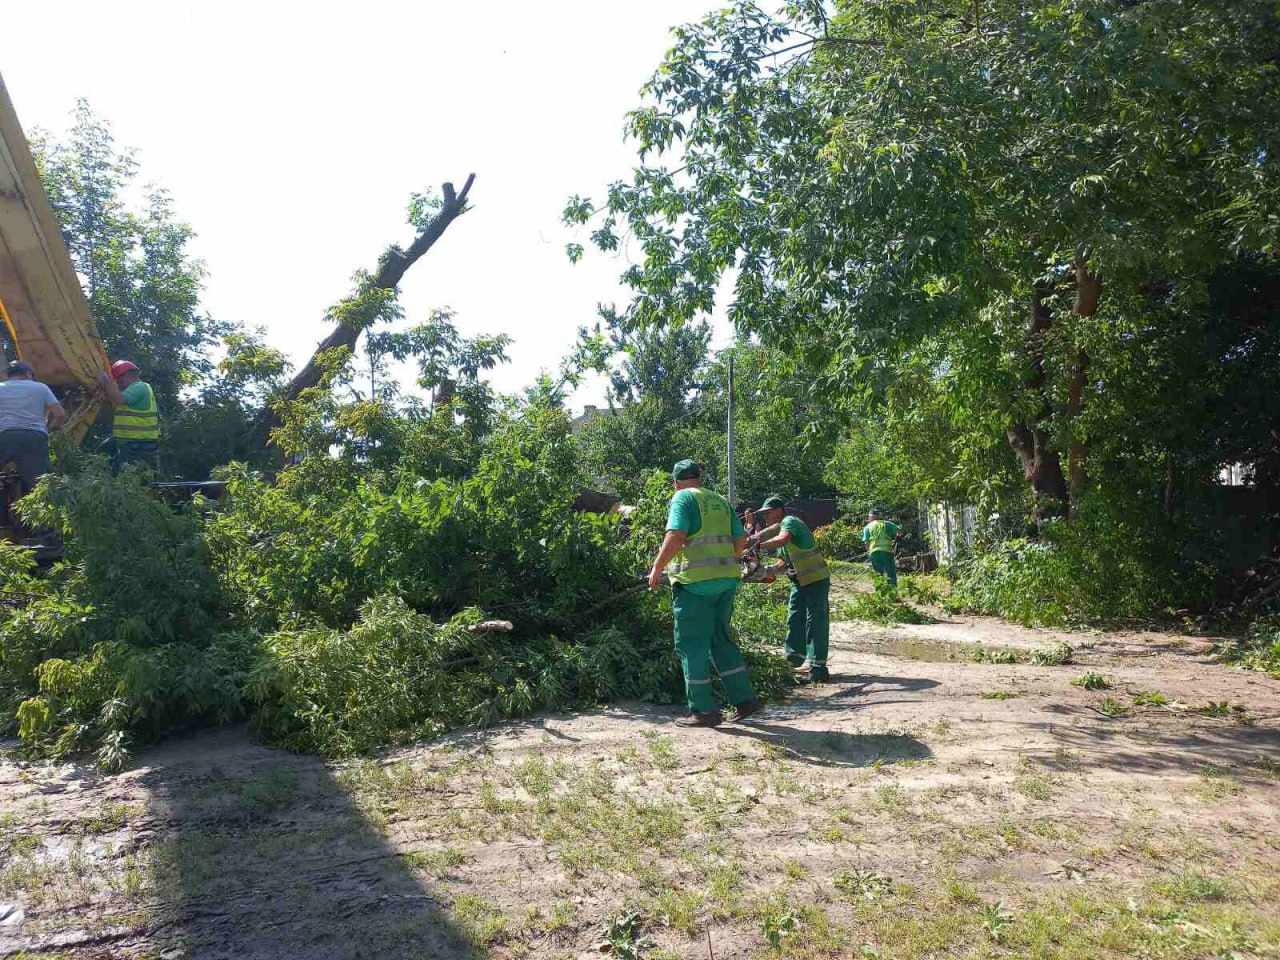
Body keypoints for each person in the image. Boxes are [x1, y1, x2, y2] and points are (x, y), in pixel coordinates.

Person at [648, 459, 760, 728]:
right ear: (700, 477)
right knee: (721, 639)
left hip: (694, 585)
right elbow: (740, 540)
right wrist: (725, 562)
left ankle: (703, 711)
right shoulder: (720, 500)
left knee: (692, 646)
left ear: (675, 482)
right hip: (726, 582)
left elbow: (675, 536)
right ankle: (745, 700)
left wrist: (657, 567)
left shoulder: (682, 499)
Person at [749, 496, 832, 682]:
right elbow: (782, 563)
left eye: (768, 513)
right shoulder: (780, 528)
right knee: (794, 618)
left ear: (779, 510)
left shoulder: (790, 522)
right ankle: (793, 660)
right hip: (799, 582)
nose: (766, 517)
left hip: (816, 580)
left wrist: (757, 547)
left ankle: (818, 666)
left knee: (815, 622)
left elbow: (782, 539)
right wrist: (763, 572)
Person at [0, 360, 65, 494]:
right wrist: (48, 429)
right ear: (28, 374)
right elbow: (60, 415)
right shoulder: (41, 387)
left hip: (5, 436)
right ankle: (46, 511)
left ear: (8, 375)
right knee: (40, 487)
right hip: (35, 438)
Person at [97, 360, 159, 472]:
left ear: (125, 376)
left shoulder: (138, 387)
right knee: (102, 455)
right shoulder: (133, 390)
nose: (118, 384)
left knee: (128, 473)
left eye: (118, 380)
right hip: (127, 440)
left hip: (137, 442)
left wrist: (106, 381)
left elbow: (119, 399)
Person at [861, 508, 904, 587]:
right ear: (878, 516)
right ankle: (893, 593)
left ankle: (880, 594)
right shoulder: (887, 524)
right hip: (887, 551)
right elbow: (900, 532)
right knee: (890, 573)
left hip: (874, 552)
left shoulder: (867, 527)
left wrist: (869, 552)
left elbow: (866, 542)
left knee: (878, 575)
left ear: (870, 517)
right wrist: (897, 536)